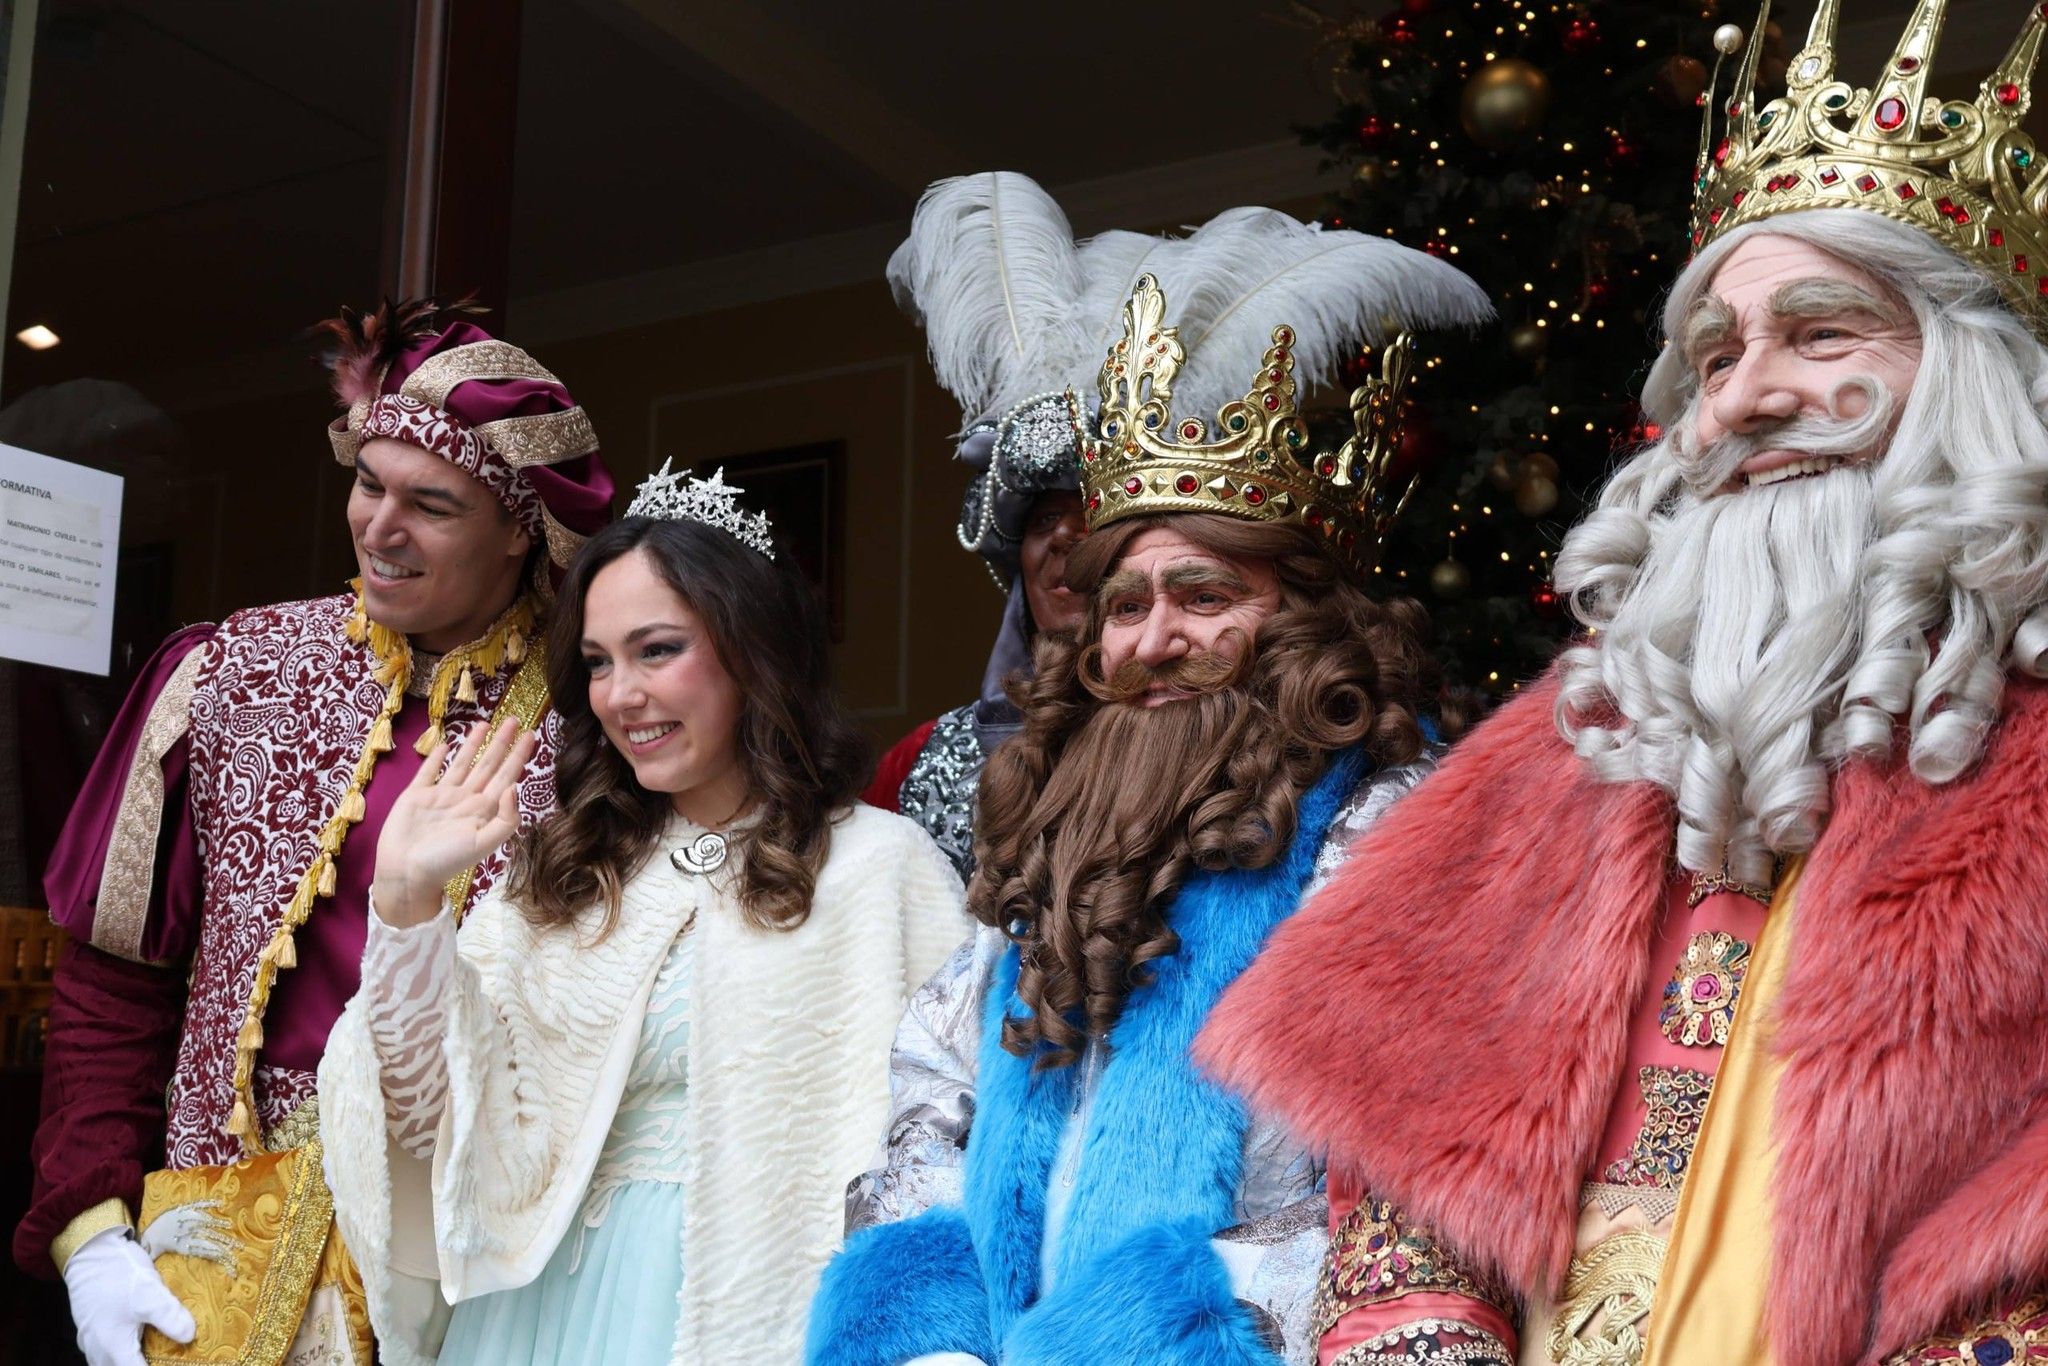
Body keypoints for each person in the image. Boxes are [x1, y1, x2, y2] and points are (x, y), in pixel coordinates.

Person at [1200, 7, 2048, 1364]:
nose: (1749, 396)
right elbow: (1407, 1199)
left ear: (1977, 386)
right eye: (1717, 355)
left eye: (1823, 335)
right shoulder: (1562, 753)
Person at [806, 205, 1489, 1365]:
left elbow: (1415, 1199)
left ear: (1307, 623)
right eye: (1124, 606)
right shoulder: (1057, 838)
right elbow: (932, 1108)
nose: (1153, 641)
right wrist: (930, 1343)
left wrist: (1136, 1333)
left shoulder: (1403, 838)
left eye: (1204, 596)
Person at [16, 299, 612, 1366]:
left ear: (521, 526)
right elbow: (113, 985)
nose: (381, 526)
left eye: (430, 503)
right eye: (368, 483)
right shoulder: (232, 674)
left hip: (473, 1279)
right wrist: (89, 1227)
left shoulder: (596, 733)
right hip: (211, 1266)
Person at [319, 462, 973, 1365]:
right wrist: (406, 905)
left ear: (753, 650)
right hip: (538, 1314)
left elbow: (947, 1135)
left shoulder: (877, 865)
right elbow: (436, 1119)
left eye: (656, 650)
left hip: (762, 1306)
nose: (619, 695)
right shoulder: (567, 873)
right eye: (596, 662)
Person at [865, 172, 1151, 877]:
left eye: (1095, 515)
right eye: (1045, 517)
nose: (1066, 537)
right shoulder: (919, 761)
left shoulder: (1213, 734)